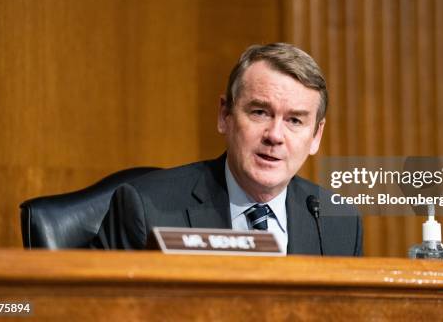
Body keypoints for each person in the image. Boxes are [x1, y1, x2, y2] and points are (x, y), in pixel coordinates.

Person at [91, 43, 363, 256]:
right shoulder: (148, 209)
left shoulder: (338, 223)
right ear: (225, 115)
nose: (275, 136)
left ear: (316, 135)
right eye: (259, 112)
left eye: (294, 120)